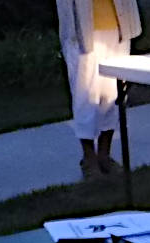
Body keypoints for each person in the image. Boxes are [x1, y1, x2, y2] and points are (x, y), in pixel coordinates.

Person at [56, 0, 141, 179]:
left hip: (119, 24)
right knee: (85, 95)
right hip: (83, 27)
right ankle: (89, 158)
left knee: (113, 93)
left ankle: (104, 154)